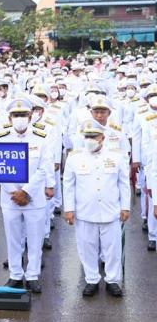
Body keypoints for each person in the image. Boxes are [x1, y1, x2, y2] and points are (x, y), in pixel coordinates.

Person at [63, 119, 130, 297]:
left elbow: (123, 183)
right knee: (87, 248)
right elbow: (68, 185)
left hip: (111, 211)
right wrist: (69, 209)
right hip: (85, 211)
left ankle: (112, 280)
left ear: (103, 137)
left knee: (113, 249)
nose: (90, 139)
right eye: (87, 136)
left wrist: (125, 207)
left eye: (94, 136)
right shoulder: (74, 157)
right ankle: (91, 279)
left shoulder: (117, 156)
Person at [0, 96, 54, 293]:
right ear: (9, 117)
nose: (19, 118)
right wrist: (14, 191)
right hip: (10, 197)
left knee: (35, 238)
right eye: (16, 115)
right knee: (12, 238)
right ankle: (15, 275)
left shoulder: (41, 137)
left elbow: (44, 168)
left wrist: (26, 191)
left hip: (34, 197)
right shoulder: (1, 138)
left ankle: (32, 276)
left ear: (30, 117)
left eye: (23, 114)